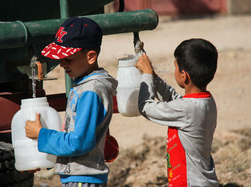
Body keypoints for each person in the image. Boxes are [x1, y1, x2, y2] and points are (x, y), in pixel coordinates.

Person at [25, 17, 118, 187]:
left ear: (91, 57)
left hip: (83, 179)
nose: (61, 64)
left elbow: (79, 142)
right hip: (79, 177)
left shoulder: (91, 90)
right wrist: (41, 159)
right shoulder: (84, 85)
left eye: (68, 59)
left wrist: (41, 135)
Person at [135, 38, 219, 186]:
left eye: (175, 66)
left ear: (184, 75)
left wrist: (146, 75)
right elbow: (173, 99)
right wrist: (154, 76)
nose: (174, 69)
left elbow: (145, 107)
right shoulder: (206, 101)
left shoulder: (186, 108)